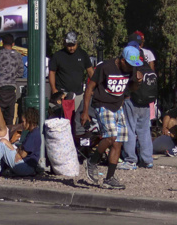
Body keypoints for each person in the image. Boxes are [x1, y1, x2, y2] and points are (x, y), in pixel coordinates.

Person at [81, 45, 143, 190]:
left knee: (118, 143)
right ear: (122, 60)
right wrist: (85, 111)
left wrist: (138, 82)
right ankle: (92, 161)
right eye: (128, 64)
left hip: (118, 106)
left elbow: (131, 88)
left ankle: (109, 178)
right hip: (102, 104)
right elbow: (90, 88)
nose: (130, 68)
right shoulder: (106, 67)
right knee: (111, 137)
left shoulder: (131, 69)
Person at [120, 40, 158, 170]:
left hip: (132, 100)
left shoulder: (131, 65)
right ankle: (147, 160)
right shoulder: (146, 64)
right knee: (144, 131)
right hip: (146, 102)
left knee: (130, 129)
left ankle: (131, 160)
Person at [48, 31, 93, 133]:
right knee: (63, 120)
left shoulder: (83, 54)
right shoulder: (58, 55)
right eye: (69, 45)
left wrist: (95, 86)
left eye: (73, 45)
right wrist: (54, 89)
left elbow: (90, 71)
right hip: (63, 94)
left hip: (78, 94)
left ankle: (77, 141)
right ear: (64, 43)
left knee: (77, 119)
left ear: (77, 43)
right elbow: (52, 73)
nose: (71, 48)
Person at [0, 107, 42, 177]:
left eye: (23, 121)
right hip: (28, 167)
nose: (22, 124)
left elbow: (23, 154)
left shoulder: (33, 134)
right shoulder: (33, 132)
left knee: (2, 145)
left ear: (29, 121)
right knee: (4, 142)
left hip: (26, 167)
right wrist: (18, 149)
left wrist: (17, 151)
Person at [0, 33, 25, 125]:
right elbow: (21, 72)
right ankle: (8, 136)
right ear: (13, 44)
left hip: (0, 88)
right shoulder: (18, 56)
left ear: (2, 43)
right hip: (12, 89)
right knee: (9, 117)